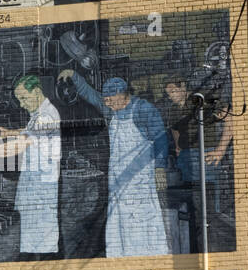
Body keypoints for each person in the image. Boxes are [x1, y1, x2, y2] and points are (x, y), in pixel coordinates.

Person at [58, 71, 170, 258]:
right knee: (119, 221)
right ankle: (120, 257)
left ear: (121, 94)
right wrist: (74, 76)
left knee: (140, 221)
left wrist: (160, 168)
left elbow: (161, 140)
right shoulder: (113, 111)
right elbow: (91, 96)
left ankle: (147, 257)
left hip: (139, 182)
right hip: (117, 181)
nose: (107, 104)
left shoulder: (143, 110)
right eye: (106, 101)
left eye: (110, 100)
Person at [0, 75, 60, 258]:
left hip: (41, 186)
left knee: (40, 236)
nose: (22, 104)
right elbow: (31, 132)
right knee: (30, 232)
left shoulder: (47, 116)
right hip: (34, 180)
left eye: (24, 98)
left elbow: (21, 145)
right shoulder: (41, 112)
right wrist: (11, 132)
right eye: (19, 100)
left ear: (37, 91)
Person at [163, 76, 232, 254]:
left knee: (206, 207)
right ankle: (195, 249)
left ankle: (211, 249)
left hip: (205, 155)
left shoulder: (200, 100)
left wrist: (220, 150)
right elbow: (175, 129)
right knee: (191, 207)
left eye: (173, 91)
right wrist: (178, 147)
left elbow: (229, 119)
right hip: (186, 159)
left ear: (183, 86)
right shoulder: (173, 110)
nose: (171, 96)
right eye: (168, 93)